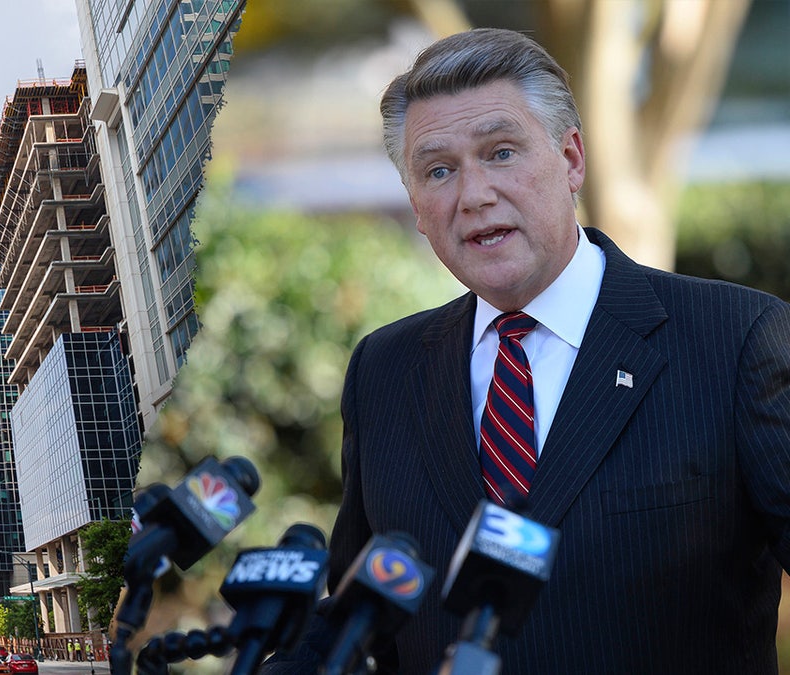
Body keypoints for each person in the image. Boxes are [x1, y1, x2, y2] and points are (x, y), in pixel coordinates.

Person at [262, 27, 790, 674]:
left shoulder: (736, 340)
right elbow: (361, 625)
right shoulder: (384, 370)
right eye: (438, 170)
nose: (474, 193)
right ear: (416, 208)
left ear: (571, 159)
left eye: (502, 152)